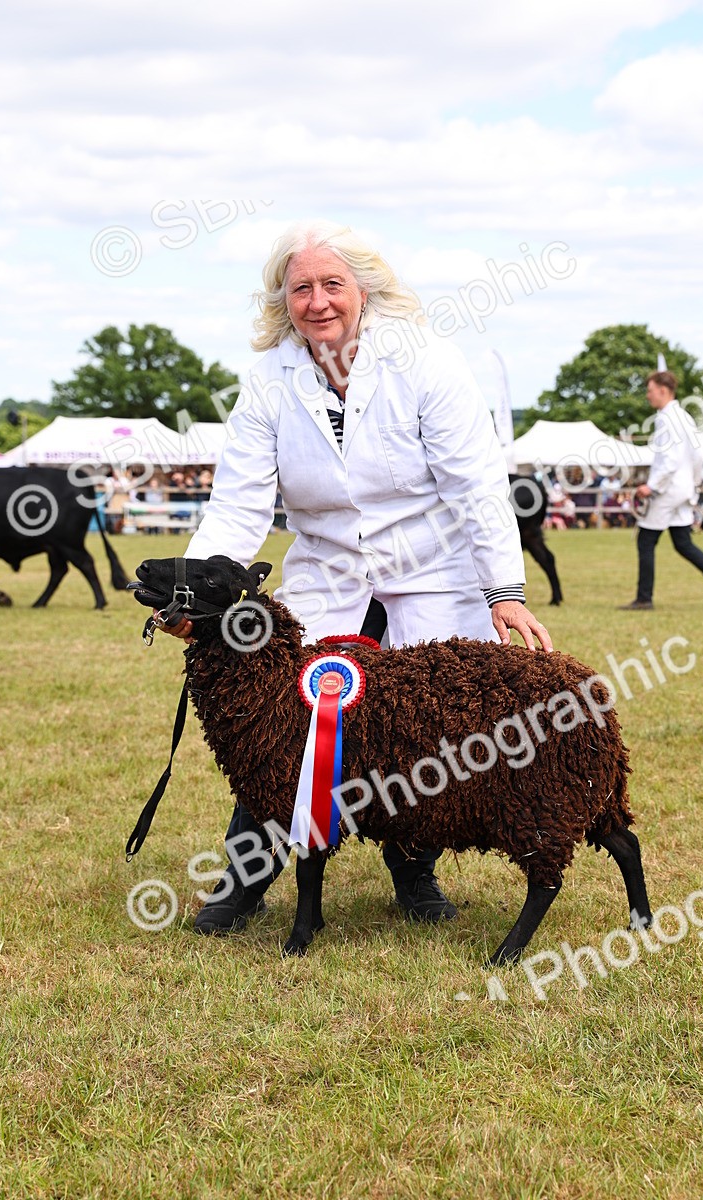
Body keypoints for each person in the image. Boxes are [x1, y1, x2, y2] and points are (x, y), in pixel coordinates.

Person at [160, 219, 553, 934]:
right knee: (276, 719)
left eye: (332, 284)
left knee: (423, 728)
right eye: (301, 287)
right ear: (284, 300)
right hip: (327, 573)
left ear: (364, 292)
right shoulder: (266, 379)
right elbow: (239, 504)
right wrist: (193, 593)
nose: (318, 301)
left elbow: (476, 484)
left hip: (434, 572)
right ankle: (244, 880)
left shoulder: (427, 361)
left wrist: (504, 591)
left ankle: (414, 871)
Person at [619, 371, 703, 611]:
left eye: (650, 390)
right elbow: (697, 456)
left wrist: (651, 486)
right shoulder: (684, 417)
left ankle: (644, 598)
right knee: (683, 543)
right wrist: (693, 485)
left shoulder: (665, 418)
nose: (648, 395)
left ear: (663, 390)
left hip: (667, 491)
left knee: (646, 540)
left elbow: (669, 459)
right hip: (683, 490)